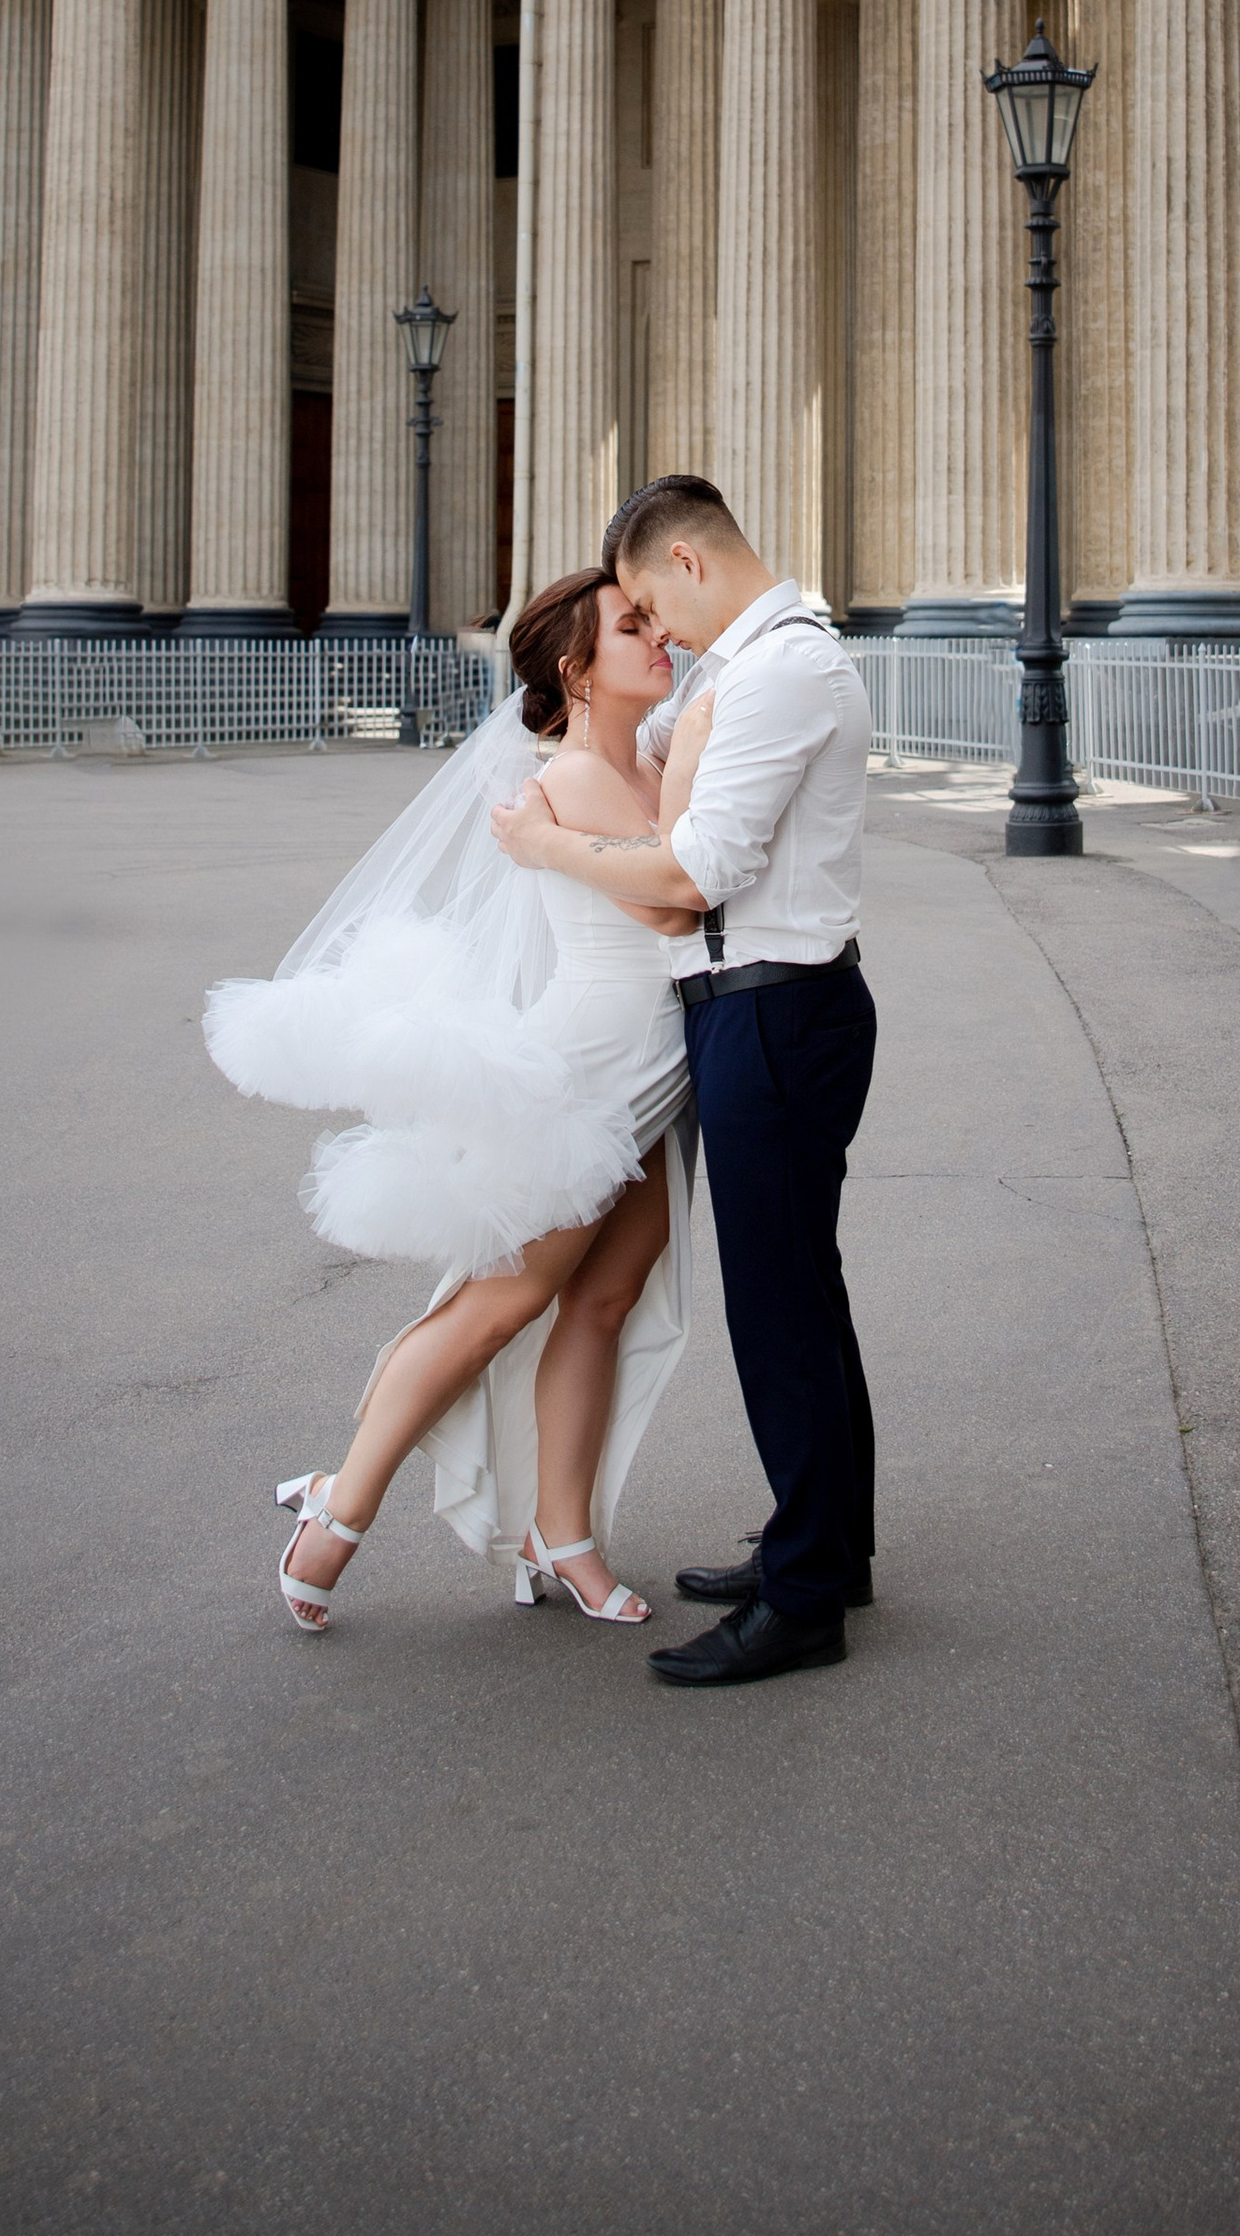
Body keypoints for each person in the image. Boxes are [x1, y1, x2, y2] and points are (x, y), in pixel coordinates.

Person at [204, 572, 701, 1635]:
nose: (657, 639)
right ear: (574, 670)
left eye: (654, 623)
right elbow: (672, 908)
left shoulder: (650, 757)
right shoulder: (571, 775)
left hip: (657, 1070)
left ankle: (560, 1536)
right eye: (631, 628)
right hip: (591, 1071)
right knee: (497, 1304)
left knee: (605, 1303)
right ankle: (340, 1506)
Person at [492, 474, 875, 1690]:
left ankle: (807, 1596)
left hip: (773, 1012)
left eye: (655, 604)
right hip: (759, 1012)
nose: (660, 632)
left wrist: (549, 844)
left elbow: (699, 867)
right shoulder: (747, 669)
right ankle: (820, 1548)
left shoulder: (778, 671)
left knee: (777, 1314)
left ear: (689, 564)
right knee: (800, 1298)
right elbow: (649, 752)